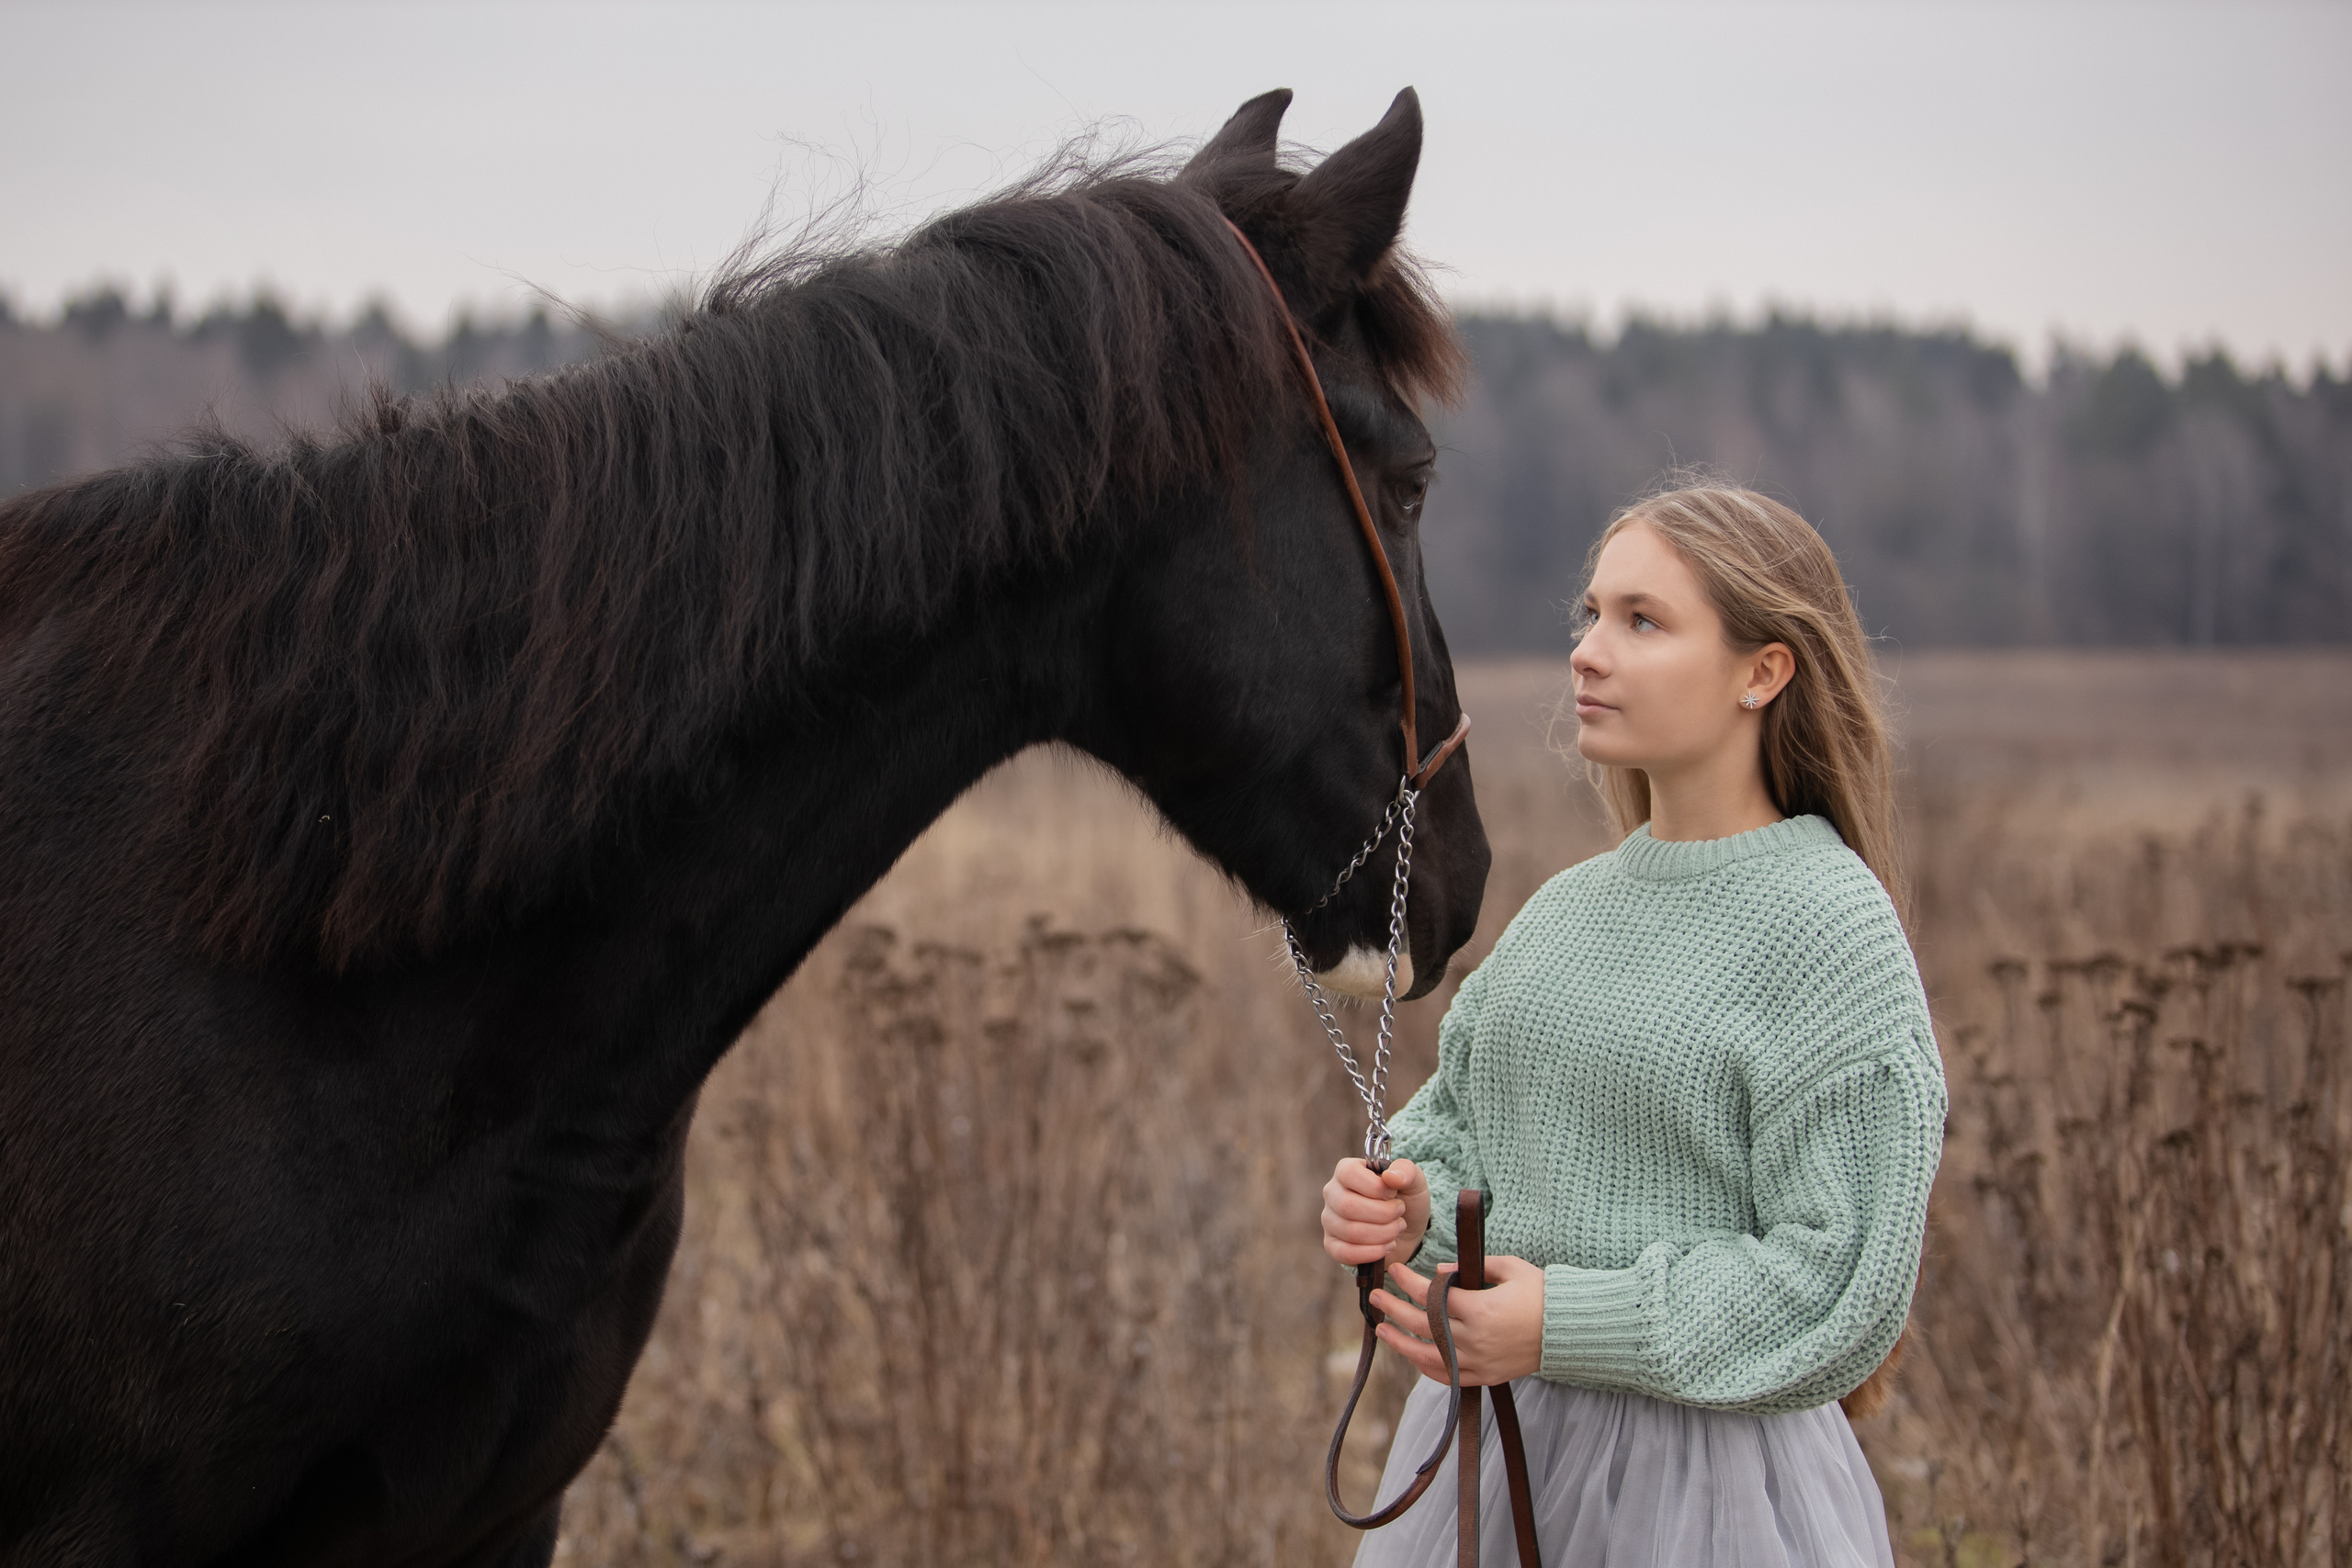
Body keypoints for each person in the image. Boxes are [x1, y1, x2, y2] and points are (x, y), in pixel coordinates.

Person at [1323, 481, 1945, 1567]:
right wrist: (1409, 1203)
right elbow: (1467, 1135)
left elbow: (1837, 1276)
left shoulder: (1828, 927)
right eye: (1591, 615)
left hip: (1709, 1500)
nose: (1588, 653)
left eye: (1643, 621)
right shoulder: (1566, 909)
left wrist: (1562, 1324)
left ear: (1763, 672)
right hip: (1490, 1464)